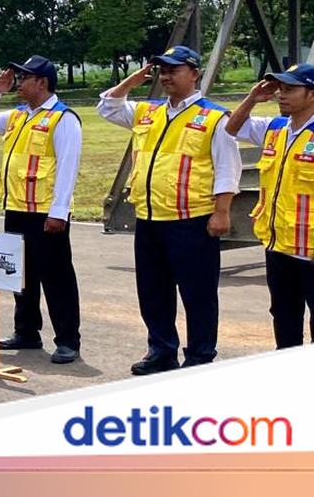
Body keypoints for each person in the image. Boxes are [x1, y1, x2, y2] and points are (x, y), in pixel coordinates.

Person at [97, 46, 241, 374]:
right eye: (162, 70)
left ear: (195, 74)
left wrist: (222, 211)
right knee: (153, 291)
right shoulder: (149, 112)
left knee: (198, 294)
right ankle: (161, 350)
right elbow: (107, 106)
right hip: (150, 219)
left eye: (173, 70)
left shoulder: (214, 118)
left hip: (191, 220)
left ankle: (200, 356)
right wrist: (132, 81)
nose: (165, 76)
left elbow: (227, 169)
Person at [0, 55, 83, 364]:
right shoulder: (19, 115)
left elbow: (68, 166)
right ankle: (26, 331)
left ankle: (68, 339)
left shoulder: (63, 118)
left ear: (43, 82)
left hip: (45, 211)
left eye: (25, 78)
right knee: (20, 274)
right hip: (16, 206)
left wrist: (58, 212)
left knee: (56, 277)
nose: (19, 83)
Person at [226, 65, 314, 349]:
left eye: (290, 89)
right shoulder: (274, 129)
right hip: (278, 246)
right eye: (280, 89)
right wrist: (252, 98)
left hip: (311, 250)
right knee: (284, 317)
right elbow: (232, 128)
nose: (281, 95)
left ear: (312, 94)